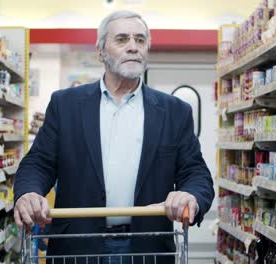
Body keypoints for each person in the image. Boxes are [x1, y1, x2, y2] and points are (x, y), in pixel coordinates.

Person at [14, 10, 215, 264]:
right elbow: (38, 163)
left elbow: (196, 173)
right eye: (122, 39)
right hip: (78, 249)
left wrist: (190, 196)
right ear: (100, 51)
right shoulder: (65, 105)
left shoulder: (174, 111)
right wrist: (28, 193)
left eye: (140, 40)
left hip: (147, 249)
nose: (133, 47)